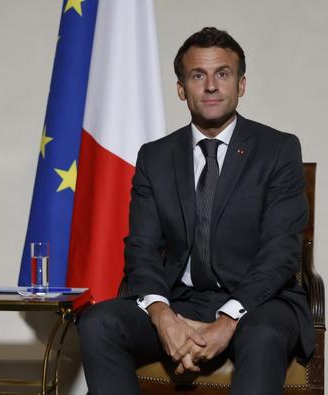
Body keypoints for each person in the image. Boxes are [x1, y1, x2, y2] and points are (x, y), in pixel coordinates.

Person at [78, 27, 313, 395]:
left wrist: (228, 318)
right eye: (197, 75)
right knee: (97, 322)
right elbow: (141, 247)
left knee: (264, 334)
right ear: (181, 88)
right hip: (179, 298)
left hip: (258, 302)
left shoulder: (278, 150)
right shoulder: (154, 157)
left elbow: (281, 252)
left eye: (223, 73)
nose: (211, 86)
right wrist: (162, 315)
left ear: (241, 84)